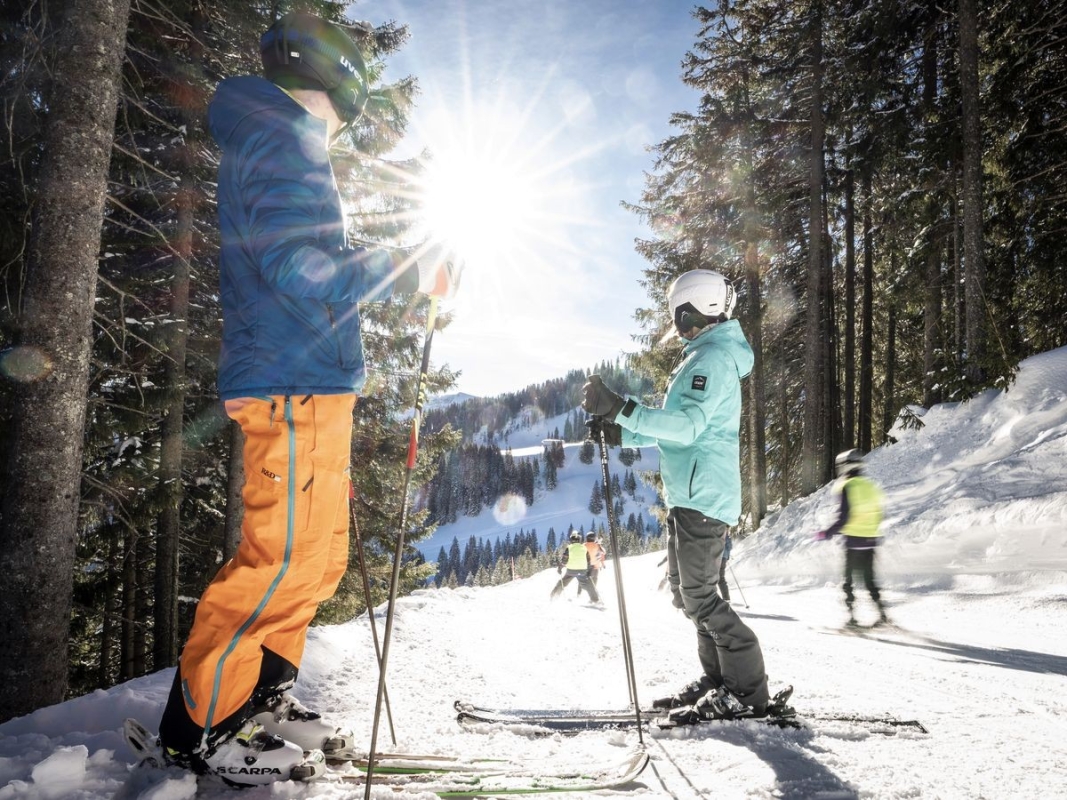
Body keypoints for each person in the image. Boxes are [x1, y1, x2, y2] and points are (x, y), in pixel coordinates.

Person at [156, 12, 460, 786]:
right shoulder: (278, 137)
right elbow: (298, 268)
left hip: (312, 386)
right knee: (276, 560)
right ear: (336, 80)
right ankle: (202, 726)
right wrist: (404, 264)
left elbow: (302, 259)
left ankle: (259, 696)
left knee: (316, 563)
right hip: (290, 385)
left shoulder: (283, 139)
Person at [582, 269, 771, 722]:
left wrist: (623, 407)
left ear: (699, 309)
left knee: (701, 595)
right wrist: (620, 431)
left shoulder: (713, 360)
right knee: (686, 595)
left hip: (704, 496)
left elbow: (687, 427)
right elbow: (681, 430)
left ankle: (746, 693)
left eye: (683, 321)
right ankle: (719, 680)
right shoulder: (704, 356)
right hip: (691, 494)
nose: (681, 331)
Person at [815, 449, 888, 627]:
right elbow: (879, 512)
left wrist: (827, 532)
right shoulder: (870, 485)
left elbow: (844, 517)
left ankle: (852, 619)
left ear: (845, 467)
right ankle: (883, 615)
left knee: (848, 581)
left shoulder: (847, 485)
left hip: (854, 542)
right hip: (870, 540)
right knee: (869, 579)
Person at [551, 530, 601, 604]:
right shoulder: (584, 548)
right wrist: (588, 571)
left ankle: (553, 597)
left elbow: (564, 560)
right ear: (579, 539)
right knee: (589, 585)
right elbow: (588, 561)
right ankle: (595, 600)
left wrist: (560, 568)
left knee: (562, 583)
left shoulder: (569, 548)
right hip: (582, 571)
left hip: (571, 571)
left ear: (571, 540)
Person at [717, 531, 732, 601]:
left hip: (717, 557)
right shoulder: (726, 534)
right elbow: (729, 546)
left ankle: (725, 598)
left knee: (714, 577)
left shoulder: (716, 531)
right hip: (723, 557)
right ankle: (726, 598)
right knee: (721, 578)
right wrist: (727, 556)